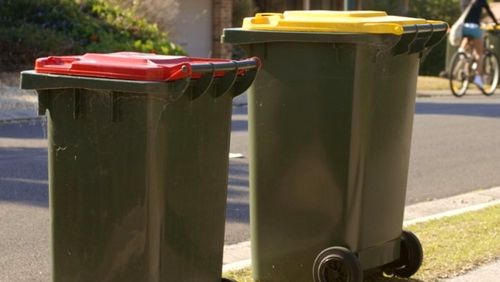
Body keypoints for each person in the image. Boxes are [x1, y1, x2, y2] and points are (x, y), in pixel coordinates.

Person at [460, 0, 499, 87]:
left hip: (463, 28)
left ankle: (462, 54)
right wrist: (496, 23)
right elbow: (489, 12)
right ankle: (478, 78)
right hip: (474, 27)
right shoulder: (481, 1)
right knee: (479, 54)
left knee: (467, 44)